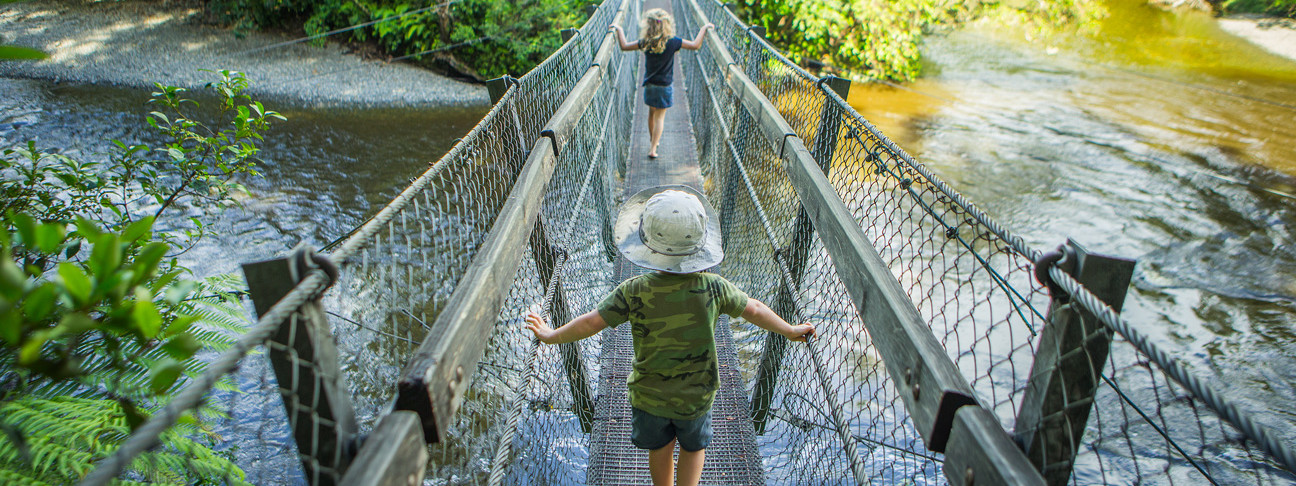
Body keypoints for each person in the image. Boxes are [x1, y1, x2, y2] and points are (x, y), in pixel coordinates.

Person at [524, 184, 815, 486]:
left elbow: (591, 322)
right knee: (694, 447)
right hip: (696, 395)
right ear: (701, 244)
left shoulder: (634, 290)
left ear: (647, 244)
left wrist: (551, 334)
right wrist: (789, 329)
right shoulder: (714, 287)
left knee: (660, 448)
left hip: (650, 396)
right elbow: (753, 308)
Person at [610, 10, 714, 159]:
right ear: (667, 24)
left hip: (650, 86)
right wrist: (704, 29)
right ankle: (653, 148)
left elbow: (624, 46)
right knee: (660, 118)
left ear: (648, 25)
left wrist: (619, 29)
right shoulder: (673, 41)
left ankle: (653, 141)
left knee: (651, 114)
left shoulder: (646, 41)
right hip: (665, 86)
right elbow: (695, 45)